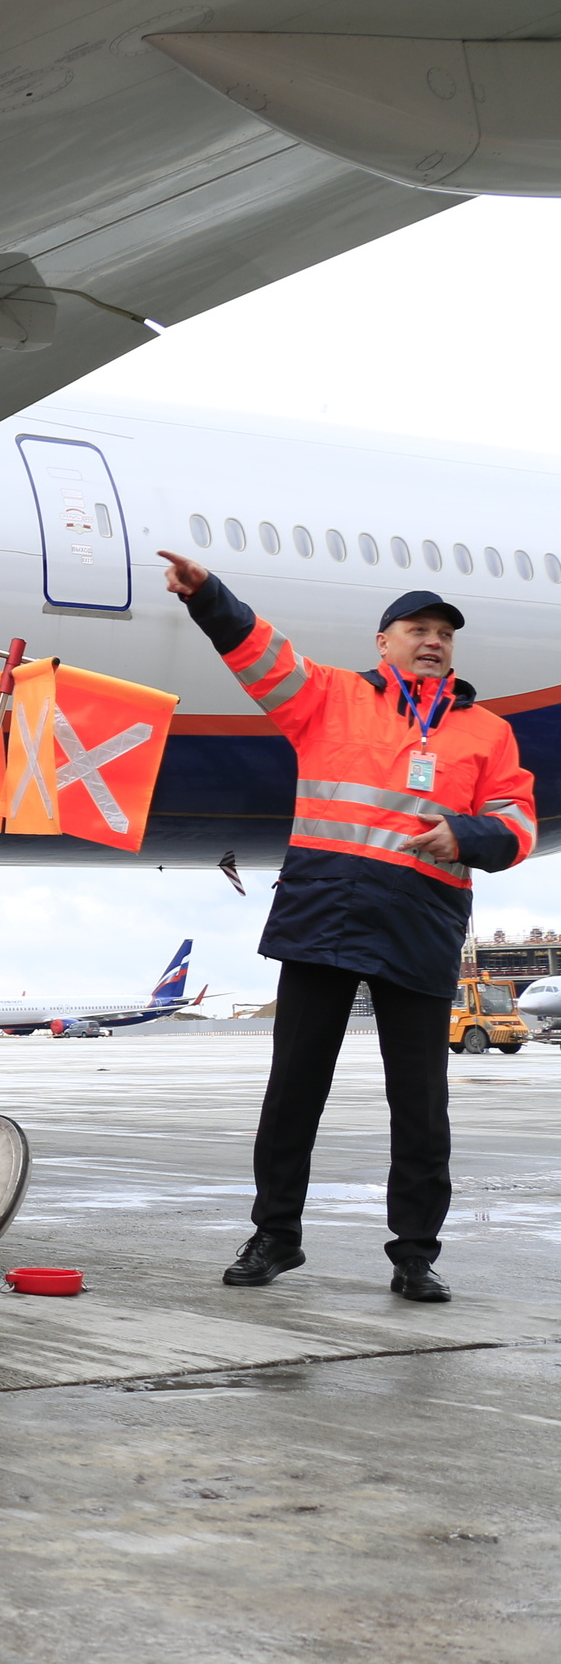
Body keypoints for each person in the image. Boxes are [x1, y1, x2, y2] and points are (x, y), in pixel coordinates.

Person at [158, 552, 537, 1302]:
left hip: (419, 925)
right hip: (323, 917)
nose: (433, 641)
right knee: (293, 1091)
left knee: (421, 1107)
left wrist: (464, 836)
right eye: (417, 629)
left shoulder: (487, 732)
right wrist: (208, 598)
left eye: (444, 634)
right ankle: (275, 1235)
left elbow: (517, 822)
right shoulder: (327, 697)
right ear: (383, 642)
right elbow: (257, 651)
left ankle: (415, 1254)